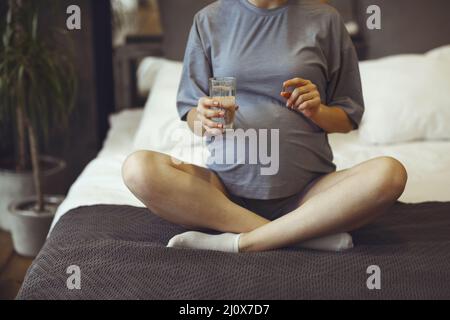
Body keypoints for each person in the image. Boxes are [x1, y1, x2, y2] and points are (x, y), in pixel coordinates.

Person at [122, 0, 407, 253]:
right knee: (138, 168)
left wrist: (317, 110)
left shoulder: (325, 19)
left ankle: (244, 241)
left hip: (310, 192)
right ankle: (299, 236)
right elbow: (192, 114)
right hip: (223, 193)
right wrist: (204, 117)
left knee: (390, 173)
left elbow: (348, 117)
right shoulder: (209, 20)